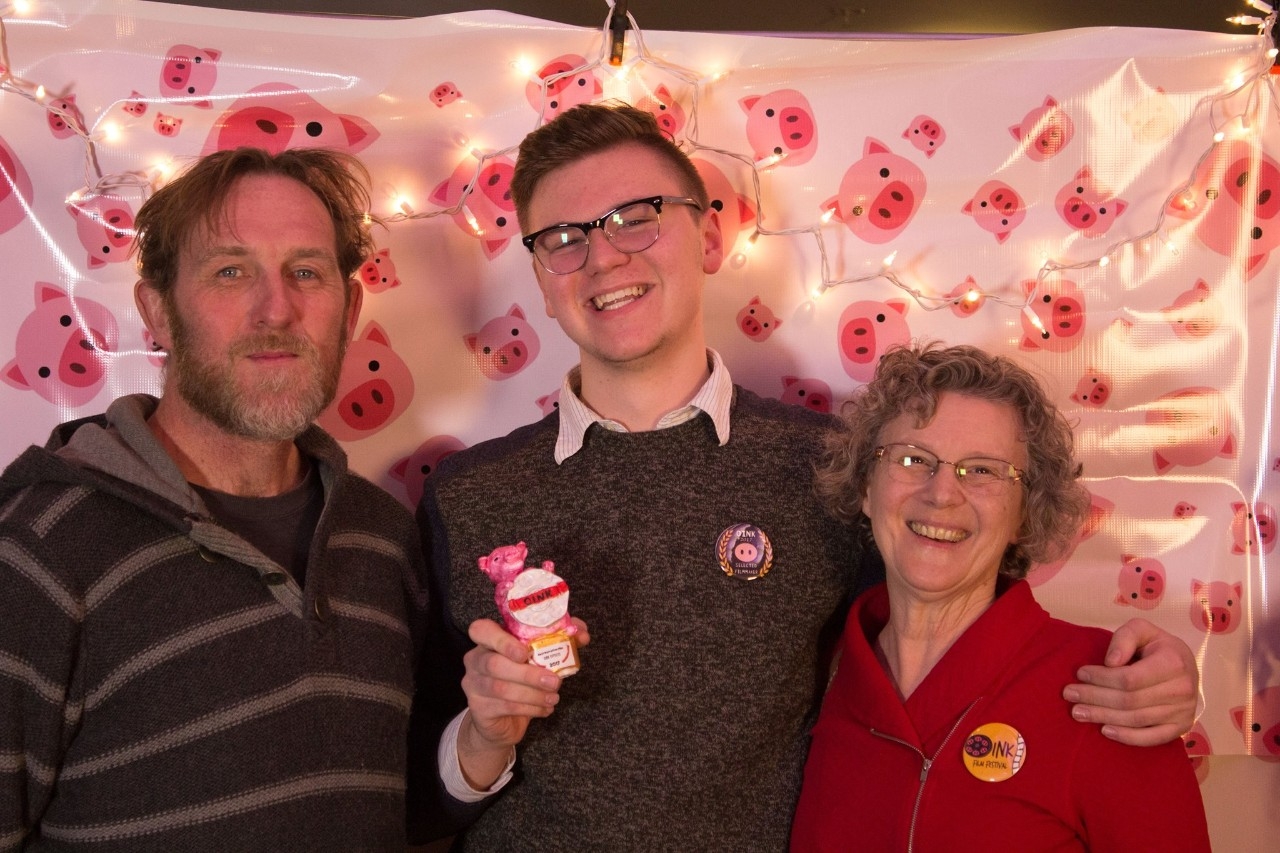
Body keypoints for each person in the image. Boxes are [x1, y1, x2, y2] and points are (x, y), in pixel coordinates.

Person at [407, 102, 1200, 851]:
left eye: (635, 219)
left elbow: (959, 624)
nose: (603, 255)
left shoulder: (834, 467)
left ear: (708, 239)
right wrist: (479, 739)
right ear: (542, 280)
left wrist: (1150, 672)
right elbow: (413, 793)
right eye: (563, 238)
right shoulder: (470, 494)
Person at [0, 148, 428, 850]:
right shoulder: (39, 553)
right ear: (157, 310)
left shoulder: (384, 538)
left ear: (349, 309)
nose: (277, 309)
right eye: (231, 271)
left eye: (307, 272)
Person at [790, 342, 1210, 851]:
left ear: (1024, 514)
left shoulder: (1114, 693)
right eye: (911, 458)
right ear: (865, 486)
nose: (941, 493)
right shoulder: (817, 674)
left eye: (983, 470)